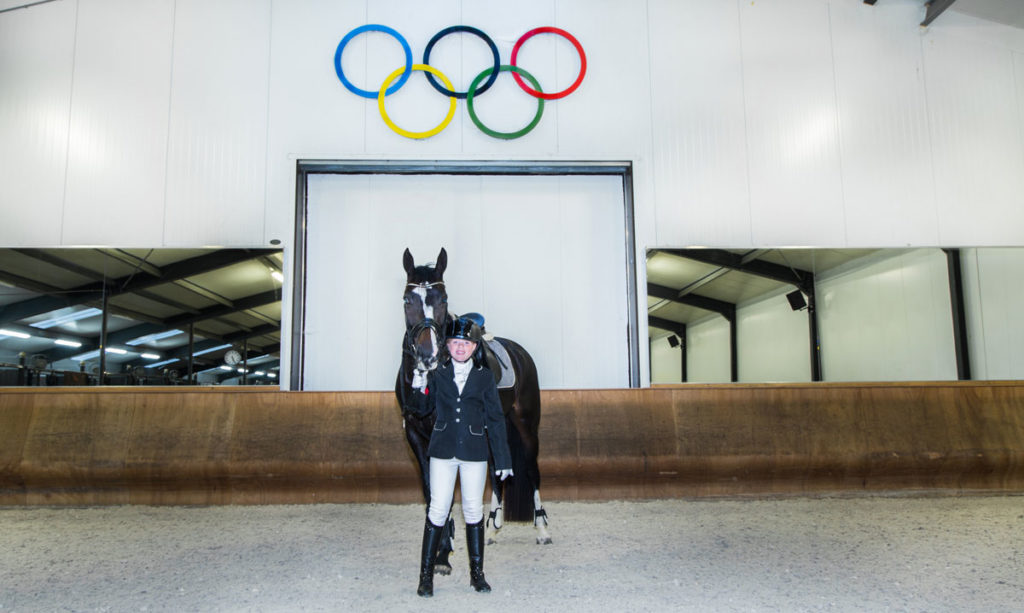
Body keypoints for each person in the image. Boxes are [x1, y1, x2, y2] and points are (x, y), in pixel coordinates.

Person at [408, 315, 513, 597]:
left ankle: (477, 575)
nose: (460, 348)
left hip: (474, 453)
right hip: (442, 451)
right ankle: (425, 576)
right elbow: (419, 408)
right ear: (448, 346)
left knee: (473, 511)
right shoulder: (436, 373)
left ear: (474, 347)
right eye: (455, 343)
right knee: (437, 510)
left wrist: (502, 459)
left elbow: (495, 418)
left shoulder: (484, 377)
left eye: (465, 344)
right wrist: (419, 380)